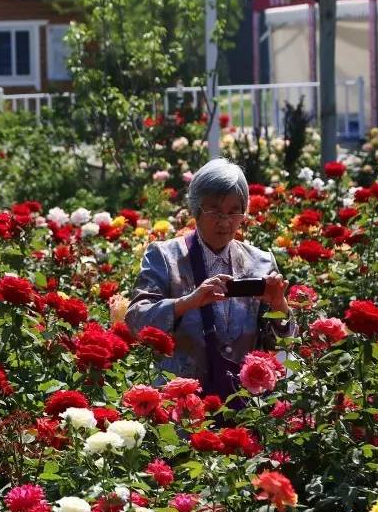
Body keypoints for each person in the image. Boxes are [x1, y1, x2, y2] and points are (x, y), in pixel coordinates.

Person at [126, 158, 294, 399]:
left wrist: (279, 305)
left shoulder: (261, 262)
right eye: (214, 210)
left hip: (246, 406)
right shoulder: (165, 256)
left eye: (234, 211)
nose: (225, 221)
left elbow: (281, 347)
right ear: (196, 209)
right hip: (183, 407)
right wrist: (188, 302)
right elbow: (136, 320)